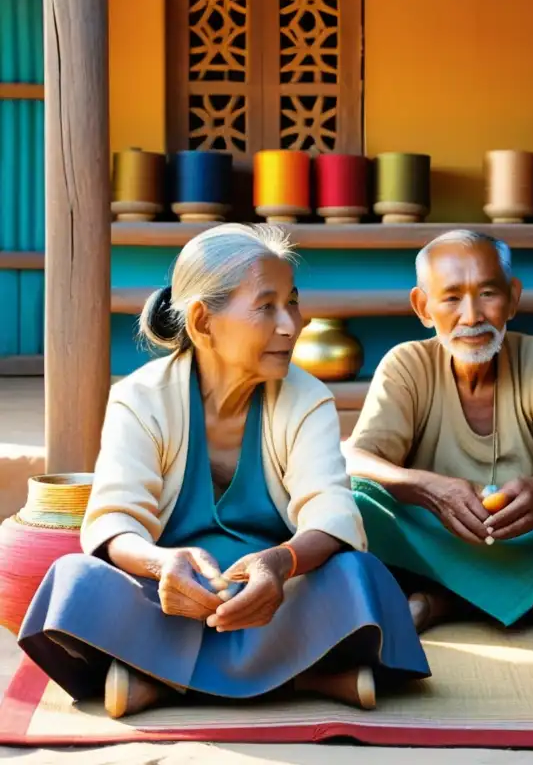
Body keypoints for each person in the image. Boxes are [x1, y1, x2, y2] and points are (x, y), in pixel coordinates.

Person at [17, 224, 430, 719]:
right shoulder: (140, 398)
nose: (291, 324)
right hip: (169, 601)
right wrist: (159, 565)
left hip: (278, 600)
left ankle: (162, 681)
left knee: (358, 576)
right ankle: (307, 678)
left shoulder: (307, 399)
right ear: (202, 321)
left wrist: (279, 565)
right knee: (74, 581)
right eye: (266, 306)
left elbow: (333, 515)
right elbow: (113, 522)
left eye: (292, 303)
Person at [344, 229, 533, 641]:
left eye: (488, 293)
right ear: (423, 307)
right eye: (451, 298)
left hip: (530, 532)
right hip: (438, 534)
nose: (472, 316)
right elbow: (355, 458)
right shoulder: (407, 364)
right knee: (356, 500)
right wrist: (432, 489)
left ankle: (446, 599)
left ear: (513, 297)